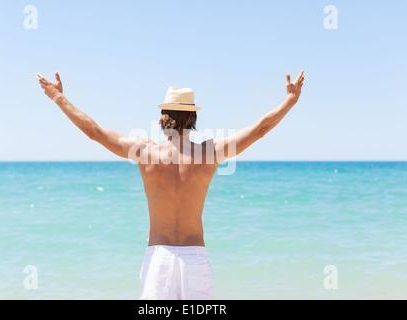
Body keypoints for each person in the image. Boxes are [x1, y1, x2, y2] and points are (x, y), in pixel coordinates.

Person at [36, 70, 304, 299]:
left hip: (158, 259)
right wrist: (289, 101)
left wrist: (58, 97)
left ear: (163, 118)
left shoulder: (144, 152)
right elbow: (259, 130)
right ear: (193, 119)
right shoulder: (209, 153)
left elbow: (93, 132)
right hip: (195, 258)